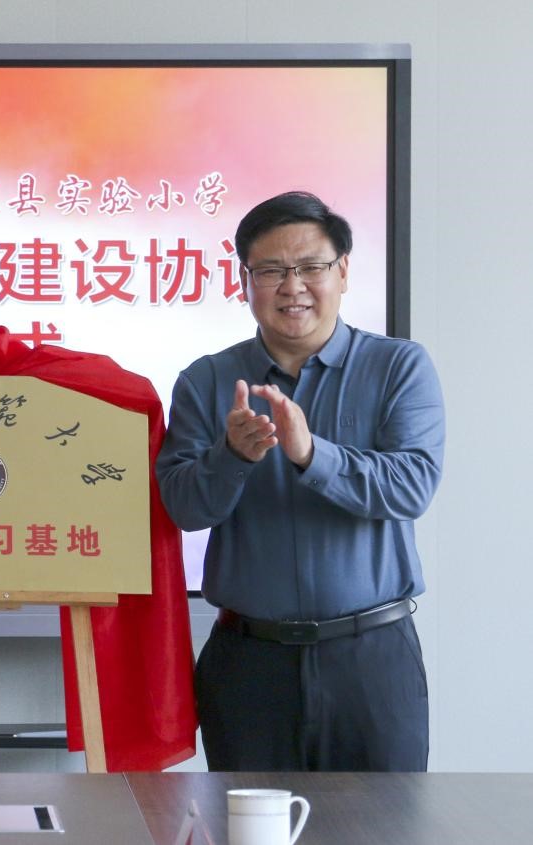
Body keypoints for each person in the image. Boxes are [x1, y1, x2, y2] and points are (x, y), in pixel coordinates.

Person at [156, 191, 444, 771]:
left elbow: (412, 485)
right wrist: (232, 455)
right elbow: (184, 507)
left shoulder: (399, 367)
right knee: (248, 818)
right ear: (244, 281)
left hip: (371, 662)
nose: (293, 287)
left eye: (311, 266)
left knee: (384, 820)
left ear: (343, 272)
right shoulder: (207, 381)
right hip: (249, 665)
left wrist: (312, 454)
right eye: (271, 271)